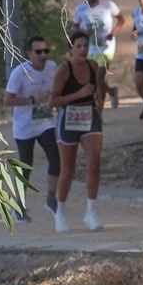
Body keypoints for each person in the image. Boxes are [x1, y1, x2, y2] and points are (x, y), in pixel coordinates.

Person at [4, 36, 61, 226]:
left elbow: (56, 89)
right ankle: (18, 206)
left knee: (56, 159)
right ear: (29, 53)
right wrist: (33, 100)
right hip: (24, 126)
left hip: (45, 122)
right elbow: (7, 100)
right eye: (38, 52)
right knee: (26, 166)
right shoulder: (19, 73)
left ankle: (51, 198)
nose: (43, 55)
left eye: (46, 51)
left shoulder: (52, 67)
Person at [52, 30, 105, 230]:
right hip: (68, 118)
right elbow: (52, 101)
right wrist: (79, 94)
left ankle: (91, 211)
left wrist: (99, 98)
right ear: (71, 49)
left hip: (89, 116)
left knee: (94, 163)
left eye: (85, 46)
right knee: (68, 169)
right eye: (79, 46)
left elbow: (98, 88)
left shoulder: (93, 66)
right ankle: (60, 212)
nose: (83, 50)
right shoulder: (64, 70)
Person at [71, 0, 121, 109]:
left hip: (106, 47)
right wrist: (84, 32)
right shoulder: (81, 9)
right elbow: (74, 27)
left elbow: (121, 19)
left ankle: (99, 112)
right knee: (93, 79)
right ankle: (111, 92)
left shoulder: (108, 6)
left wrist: (113, 33)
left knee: (98, 77)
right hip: (91, 48)